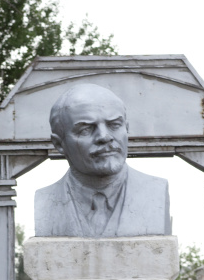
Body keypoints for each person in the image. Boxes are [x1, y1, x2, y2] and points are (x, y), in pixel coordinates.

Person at [34, 83, 171, 238]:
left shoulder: (155, 192)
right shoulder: (46, 202)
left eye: (114, 125)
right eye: (86, 129)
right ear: (59, 144)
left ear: (127, 129)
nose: (104, 137)